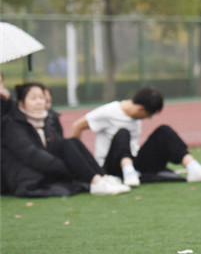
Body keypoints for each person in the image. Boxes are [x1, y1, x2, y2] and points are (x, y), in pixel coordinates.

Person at [71, 87, 201, 186]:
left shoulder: (136, 117)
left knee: (164, 131)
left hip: (135, 164)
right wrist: (83, 164)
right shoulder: (108, 112)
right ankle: (128, 172)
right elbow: (77, 126)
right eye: (148, 115)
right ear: (141, 108)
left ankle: (194, 168)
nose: (146, 119)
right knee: (123, 133)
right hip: (110, 166)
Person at [1, 82, 130, 197]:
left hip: (47, 168)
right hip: (29, 177)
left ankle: (103, 177)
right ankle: (95, 181)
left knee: (71, 142)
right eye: (33, 98)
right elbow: (31, 154)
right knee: (65, 144)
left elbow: (57, 146)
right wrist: (67, 167)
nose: (39, 102)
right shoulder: (12, 124)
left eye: (41, 98)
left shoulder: (47, 119)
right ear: (21, 103)